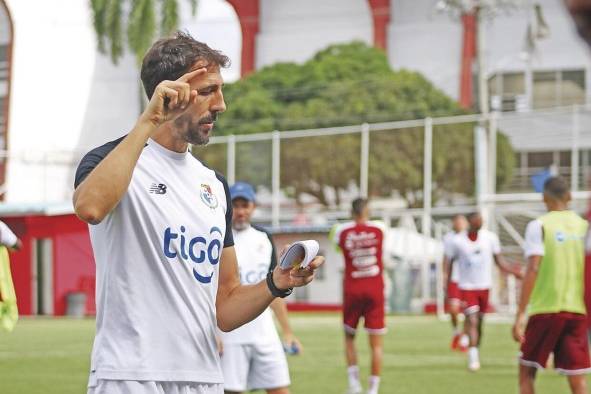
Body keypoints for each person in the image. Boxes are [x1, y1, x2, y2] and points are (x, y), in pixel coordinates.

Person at [73, 32, 323, 394]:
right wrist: (147, 122)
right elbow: (90, 207)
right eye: (208, 91)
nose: (220, 105)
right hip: (130, 374)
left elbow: (225, 304)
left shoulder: (214, 186)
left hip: (202, 376)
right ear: (169, 91)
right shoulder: (109, 160)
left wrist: (277, 283)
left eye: (221, 90)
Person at [220, 181, 301, 394]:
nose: (240, 212)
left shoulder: (264, 238)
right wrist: (213, 333)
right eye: (235, 206)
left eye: (244, 205)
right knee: (230, 391)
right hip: (231, 335)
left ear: (253, 207)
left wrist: (288, 332)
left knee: (280, 389)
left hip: (265, 333)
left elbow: (275, 289)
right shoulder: (219, 236)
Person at [513, 177, 590, 394]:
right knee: (577, 377)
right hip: (577, 310)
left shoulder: (539, 226)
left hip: (546, 308)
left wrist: (520, 313)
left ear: (544, 197)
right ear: (570, 197)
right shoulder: (584, 226)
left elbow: (533, 269)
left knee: (526, 372)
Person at [447, 212, 522, 371]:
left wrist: (512, 272)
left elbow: (499, 261)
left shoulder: (490, 238)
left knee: (479, 323)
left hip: (484, 286)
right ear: (470, 222)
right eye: (477, 220)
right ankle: (473, 357)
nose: (480, 223)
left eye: (482, 220)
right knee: (472, 320)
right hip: (467, 287)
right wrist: (447, 287)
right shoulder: (458, 241)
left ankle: (474, 347)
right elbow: (450, 263)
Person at [330, 198, 386, 394]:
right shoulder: (380, 230)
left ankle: (354, 385)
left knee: (349, 337)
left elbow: (337, 246)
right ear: (368, 211)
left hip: (353, 288)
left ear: (351, 211)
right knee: (376, 344)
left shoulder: (342, 232)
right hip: (375, 289)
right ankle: (373, 389)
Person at [442, 214, 468, 350]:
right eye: (457, 221)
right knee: (453, 310)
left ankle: (464, 340)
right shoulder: (448, 238)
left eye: (461, 221)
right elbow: (446, 258)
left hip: (468, 280)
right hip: (454, 279)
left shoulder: (469, 237)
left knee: (469, 312)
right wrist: (445, 276)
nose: (459, 224)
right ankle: (456, 332)